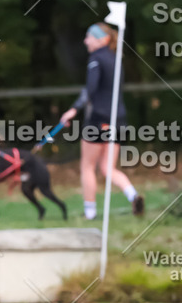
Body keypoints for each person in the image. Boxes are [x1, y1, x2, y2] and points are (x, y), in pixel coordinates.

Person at [60, 22, 144, 220]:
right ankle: (132, 194)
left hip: (98, 120)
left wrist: (73, 109)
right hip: (118, 119)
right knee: (107, 168)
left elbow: (91, 89)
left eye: (89, 36)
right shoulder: (115, 59)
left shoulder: (96, 59)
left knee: (87, 166)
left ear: (102, 40)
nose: (85, 40)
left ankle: (89, 212)